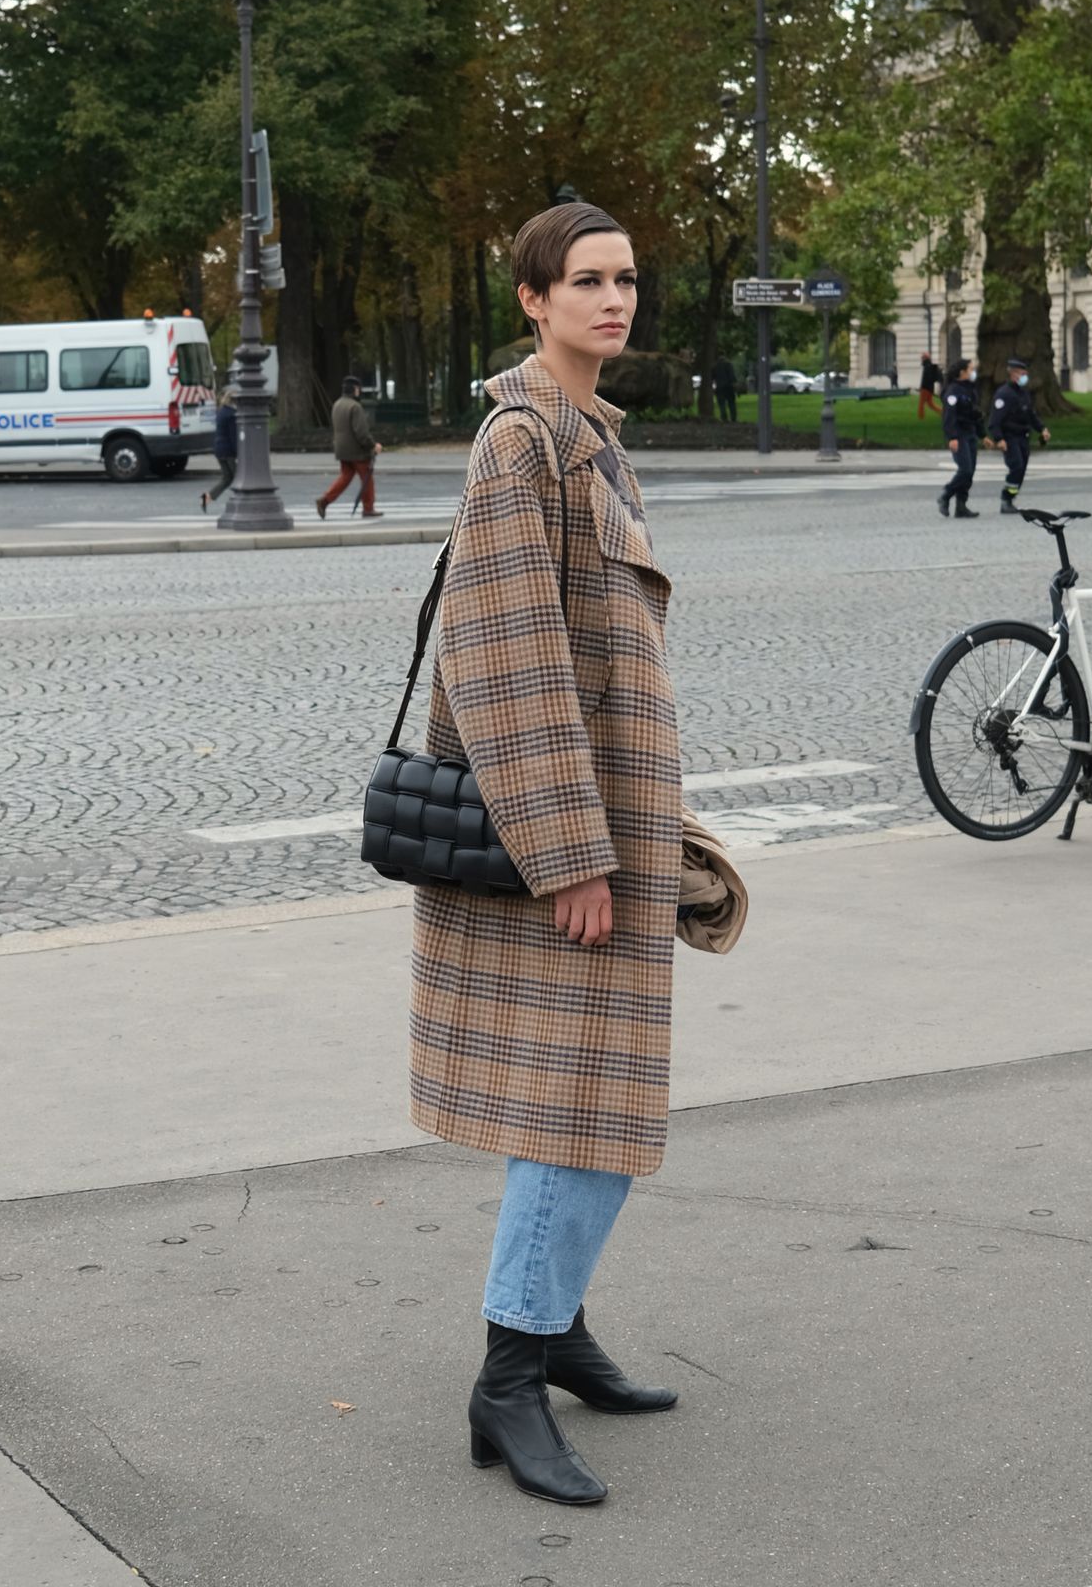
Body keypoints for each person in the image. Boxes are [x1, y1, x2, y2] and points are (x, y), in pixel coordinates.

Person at [412, 201, 681, 1507]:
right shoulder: (520, 442)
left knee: (605, 1104)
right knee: (574, 1111)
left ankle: (556, 1326)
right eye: (586, 280)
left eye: (625, 278)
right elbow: (506, 659)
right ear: (532, 298)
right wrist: (572, 854)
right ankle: (508, 1376)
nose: (613, 298)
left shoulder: (591, 439)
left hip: (610, 824)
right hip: (557, 843)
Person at [985, 356, 1051, 514]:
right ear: (1013, 374)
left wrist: (1042, 429)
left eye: (1025, 373)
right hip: (1010, 437)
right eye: (1022, 373)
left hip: (1023, 436)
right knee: (1016, 467)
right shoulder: (1004, 394)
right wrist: (998, 438)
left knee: (1021, 470)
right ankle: (1005, 499)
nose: (1025, 377)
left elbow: (1030, 414)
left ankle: (1011, 498)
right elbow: (995, 419)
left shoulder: (1023, 393)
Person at [315, 376, 383, 518]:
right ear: (354, 389)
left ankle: (325, 500)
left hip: (342, 450)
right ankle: (368, 508)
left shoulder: (337, 404)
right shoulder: (355, 407)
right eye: (358, 388)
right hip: (357, 451)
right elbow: (361, 432)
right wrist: (372, 445)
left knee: (345, 477)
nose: (359, 391)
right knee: (367, 479)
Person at [936, 357, 983, 519]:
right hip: (959, 434)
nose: (973, 372)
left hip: (970, 433)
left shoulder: (970, 389)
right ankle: (946, 494)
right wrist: (953, 437)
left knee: (970, 473)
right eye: (970, 369)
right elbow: (949, 416)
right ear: (962, 372)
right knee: (965, 470)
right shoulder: (953, 391)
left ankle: (961, 505)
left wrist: (983, 435)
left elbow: (974, 415)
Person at [200, 389, 238, 513]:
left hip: (219, 449)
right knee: (240, 478)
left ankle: (208, 496)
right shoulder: (231, 414)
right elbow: (233, 436)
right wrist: (238, 454)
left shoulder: (221, 411)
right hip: (229, 451)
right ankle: (241, 504)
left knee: (227, 478)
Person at [917, 351, 943, 418]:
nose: (921, 359)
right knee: (930, 404)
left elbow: (926, 379)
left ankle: (921, 417)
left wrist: (922, 387)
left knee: (921, 403)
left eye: (922, 357)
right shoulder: (929, 366)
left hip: (926, 388)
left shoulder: (927, 366)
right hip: (929, 388)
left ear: (925, 358)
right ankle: (943, 412)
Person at [713, 352, 738, 421]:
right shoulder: (728, 364)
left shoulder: (715, 365)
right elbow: (732, 375)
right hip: (728, 386)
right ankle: (733, 418)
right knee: (731, 403)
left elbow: (713, 376)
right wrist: (734, 384)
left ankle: (724, 417)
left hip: (720, 386)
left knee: (722, 404)